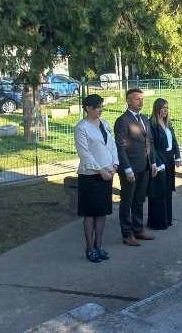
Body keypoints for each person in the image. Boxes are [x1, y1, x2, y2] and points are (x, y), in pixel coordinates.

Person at [74, 94, 118, 263]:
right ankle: (90, 248)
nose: (100, 109)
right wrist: (100, 171)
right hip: (90, 176)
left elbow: (112, 145)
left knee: (102, 213)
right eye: (97, 107)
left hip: (107, 173)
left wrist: (115, 165)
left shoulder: (104, 124)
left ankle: (99, 246)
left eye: (101, 106)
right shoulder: (81, 127)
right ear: (88, 108)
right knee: (90, 214)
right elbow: (84, 153)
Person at [114, 89, 160, 246]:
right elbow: (120, 147)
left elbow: (149, 142)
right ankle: (127, 234)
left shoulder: (144, 119)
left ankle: (138, 229)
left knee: (139, 199)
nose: (141, 102)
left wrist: (153, 162)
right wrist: (127, 169)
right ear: (128, 101)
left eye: (142, 99)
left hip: (145, 166)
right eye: (137, 99)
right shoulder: (122, 121)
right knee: (127, 201)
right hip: (130, 168)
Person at [148, 98, 182, 230]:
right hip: (159, 160)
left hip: (169, 160)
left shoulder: (168, 123)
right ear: (157, 108)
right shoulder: (152, 124)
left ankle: (167, 219)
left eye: (167, 108)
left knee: (168, 190)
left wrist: (177, 156)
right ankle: (158, 222)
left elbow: (174, 141)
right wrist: (157, 162)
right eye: (163, 108)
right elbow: (151, 146)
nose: (165, 110)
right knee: (159, 191)